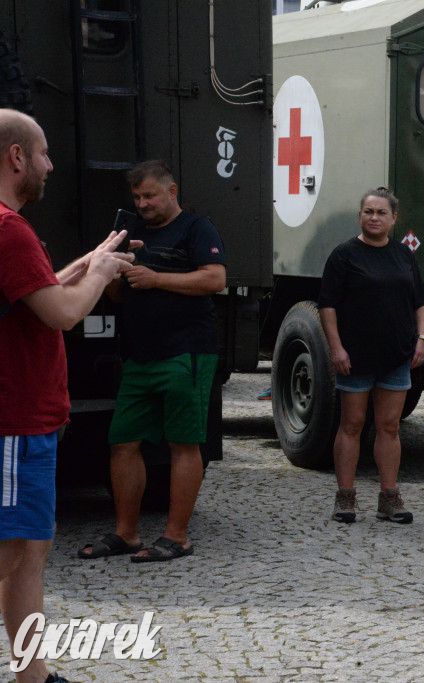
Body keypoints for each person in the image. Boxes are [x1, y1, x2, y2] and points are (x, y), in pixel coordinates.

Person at [0, 108, 135, 682]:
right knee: (13, 555)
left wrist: (85, 262)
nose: (51, 165)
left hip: (24, 423)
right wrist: (101, 276)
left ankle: (34, 678)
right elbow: (61, 314)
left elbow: (37, 290)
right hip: (14, 424)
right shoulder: (8, 228)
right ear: (16, 157)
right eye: (45, 153)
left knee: (28, 553)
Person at [78, 160, 226, 562]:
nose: (143, 204)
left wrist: (156, 278)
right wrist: (113, 270)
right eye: (137, 197)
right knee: (122, 443)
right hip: (140, 357)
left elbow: (215, 279)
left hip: (187, 352)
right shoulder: (134, 235)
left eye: (150, 195)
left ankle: (176, 536)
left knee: (183, 444)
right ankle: (126, 534)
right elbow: (119, 298)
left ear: (171, 192)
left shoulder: (197, 228)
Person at [319, 187, 424, 524]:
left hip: (396, 356)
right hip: (355, 358)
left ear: (394, 219)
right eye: (368, 212)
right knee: (352, 425)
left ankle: (389, 496)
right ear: (360, 216)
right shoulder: (344, 255)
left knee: (389, 426)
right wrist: (336, 347)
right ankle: (345, 498)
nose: (374, 218)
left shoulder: (404, 256)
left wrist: (422, 339)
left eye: (381, 213)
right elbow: (328, 306)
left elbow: (420, 304)